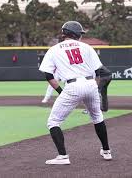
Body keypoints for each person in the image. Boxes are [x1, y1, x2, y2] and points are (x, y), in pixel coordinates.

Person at [39, 21, 112, 165]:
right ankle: (107, 151)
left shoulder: (54, 49)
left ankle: (63, 156)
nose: (81, 35)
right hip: (90, 83)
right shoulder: (87, 47)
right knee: (97, 117)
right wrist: (93, 88)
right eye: (80, 33)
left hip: (72, 85)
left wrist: (60, 91)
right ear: (76, 34)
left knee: (53, 122)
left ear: (64, 33)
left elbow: (48, 75)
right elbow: (98, 71)